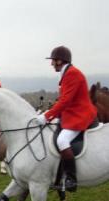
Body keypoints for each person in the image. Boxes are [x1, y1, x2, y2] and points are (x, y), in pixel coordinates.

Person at [35, 46, 97, 192]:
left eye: (53, 61)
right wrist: (49, 113)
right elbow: (63, 100)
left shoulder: (72, 74)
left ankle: (71, 179)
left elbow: (65, 101)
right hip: (71, 113)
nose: (51, 64)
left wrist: (46, 116)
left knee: (62, 140)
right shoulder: (66, 73)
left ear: (60, 61)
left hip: (79, 114)